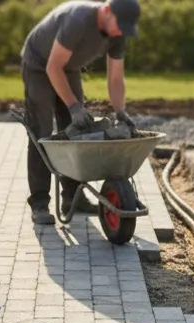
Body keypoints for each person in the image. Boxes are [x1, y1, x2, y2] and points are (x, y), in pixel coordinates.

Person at [21, 0, 140, 225]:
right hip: (39, 65)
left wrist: (121, 112)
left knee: (78, 131)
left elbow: (115, 78)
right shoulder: (78, 19)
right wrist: (74, 106)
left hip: (68, 68)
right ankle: (39, 203)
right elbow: (52, 67)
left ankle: (72, 197)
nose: (119, 31)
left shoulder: (118, 33)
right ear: (106, 11)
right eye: (119, 25)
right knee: (41, 132)